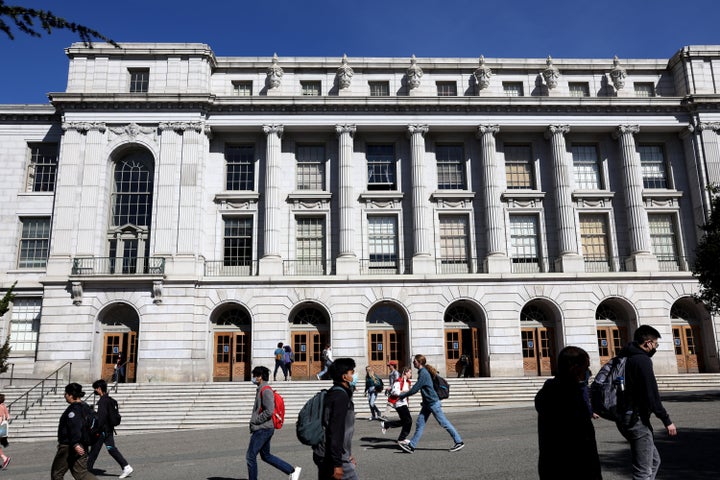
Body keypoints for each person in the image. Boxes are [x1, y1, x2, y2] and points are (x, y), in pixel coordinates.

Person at [616, 325, 677, 480]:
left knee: (654, 461)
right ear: (648, 343)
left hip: (623, 415)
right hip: (636, 417)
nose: (655, 347)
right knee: (643, 471)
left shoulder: (625, 356)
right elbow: (651, 394)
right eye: (656, 344)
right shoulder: (642, 360)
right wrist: (666, 420)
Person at [535, 346, 602, 480]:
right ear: (574, 368)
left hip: (551, 466)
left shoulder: (547, 392)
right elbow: (581, 442)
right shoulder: (570, 395)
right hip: (573, 468)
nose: (588, 372)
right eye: (586, 368)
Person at [397, 354, 464, 453]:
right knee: (420, 423)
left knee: (443, 422)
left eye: (414, 361)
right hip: (427, 404)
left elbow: (415, 389)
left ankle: (459, 441)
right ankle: (411, 446)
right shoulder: (423, 372)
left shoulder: (423, 373)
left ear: (419, 362)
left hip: (432, 402)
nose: (413, 362)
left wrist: (402, 395)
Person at [246, 366, 302, 480]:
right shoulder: (261, 389)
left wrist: (256, 421)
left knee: (250, 456)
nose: (253, 378)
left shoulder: (265, 390)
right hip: (265, 428)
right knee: (266, 456)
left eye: (255, 376)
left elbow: (269, 410)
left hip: (262, 428)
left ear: (260, 377)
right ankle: (291, 470)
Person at [313, 357, 357, 480]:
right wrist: (338, 463)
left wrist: (348, 453)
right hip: (332, 455)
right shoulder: (340, 397)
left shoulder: (334, 393)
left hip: (325, 452)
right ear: (344, 377)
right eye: (351, 372)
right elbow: (335, 430)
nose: (354, 375)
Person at [51, 383, 98, 480]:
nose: (65, 395)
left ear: (71, 395)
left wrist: (75, 443)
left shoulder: (74, 409)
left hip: (69, 446)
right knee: (81, 474)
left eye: (66, 393)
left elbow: (75, 427)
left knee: (57, 474)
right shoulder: (85, 406)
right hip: (82, 444)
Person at [87, 379, 133, 478]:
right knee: (111, 449)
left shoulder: (103, 401)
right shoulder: (109, 399)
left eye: (95, 389)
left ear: (99, 389)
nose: (95, 391)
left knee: (94, 450)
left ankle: (86, 470)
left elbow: (102, 417)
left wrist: (95, 430)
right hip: (109, 429)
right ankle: (126, 466)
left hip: (102, 430)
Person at [381, 366, 413, 443]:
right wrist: (404, 391)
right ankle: (402, 438)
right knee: (408, 421)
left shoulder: (408, 382)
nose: (411, 374)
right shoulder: (398, 381)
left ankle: (387, 424)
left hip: (404, 403)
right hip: (398, 403)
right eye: (410, 372)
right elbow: (394, 392)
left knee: (405, 421)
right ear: (405, 372)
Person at [0, 393, 10, 469]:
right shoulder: (4, 406)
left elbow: (0, 419)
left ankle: (4, 458)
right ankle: (4, 458)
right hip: (3, 430)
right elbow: (8, 417)